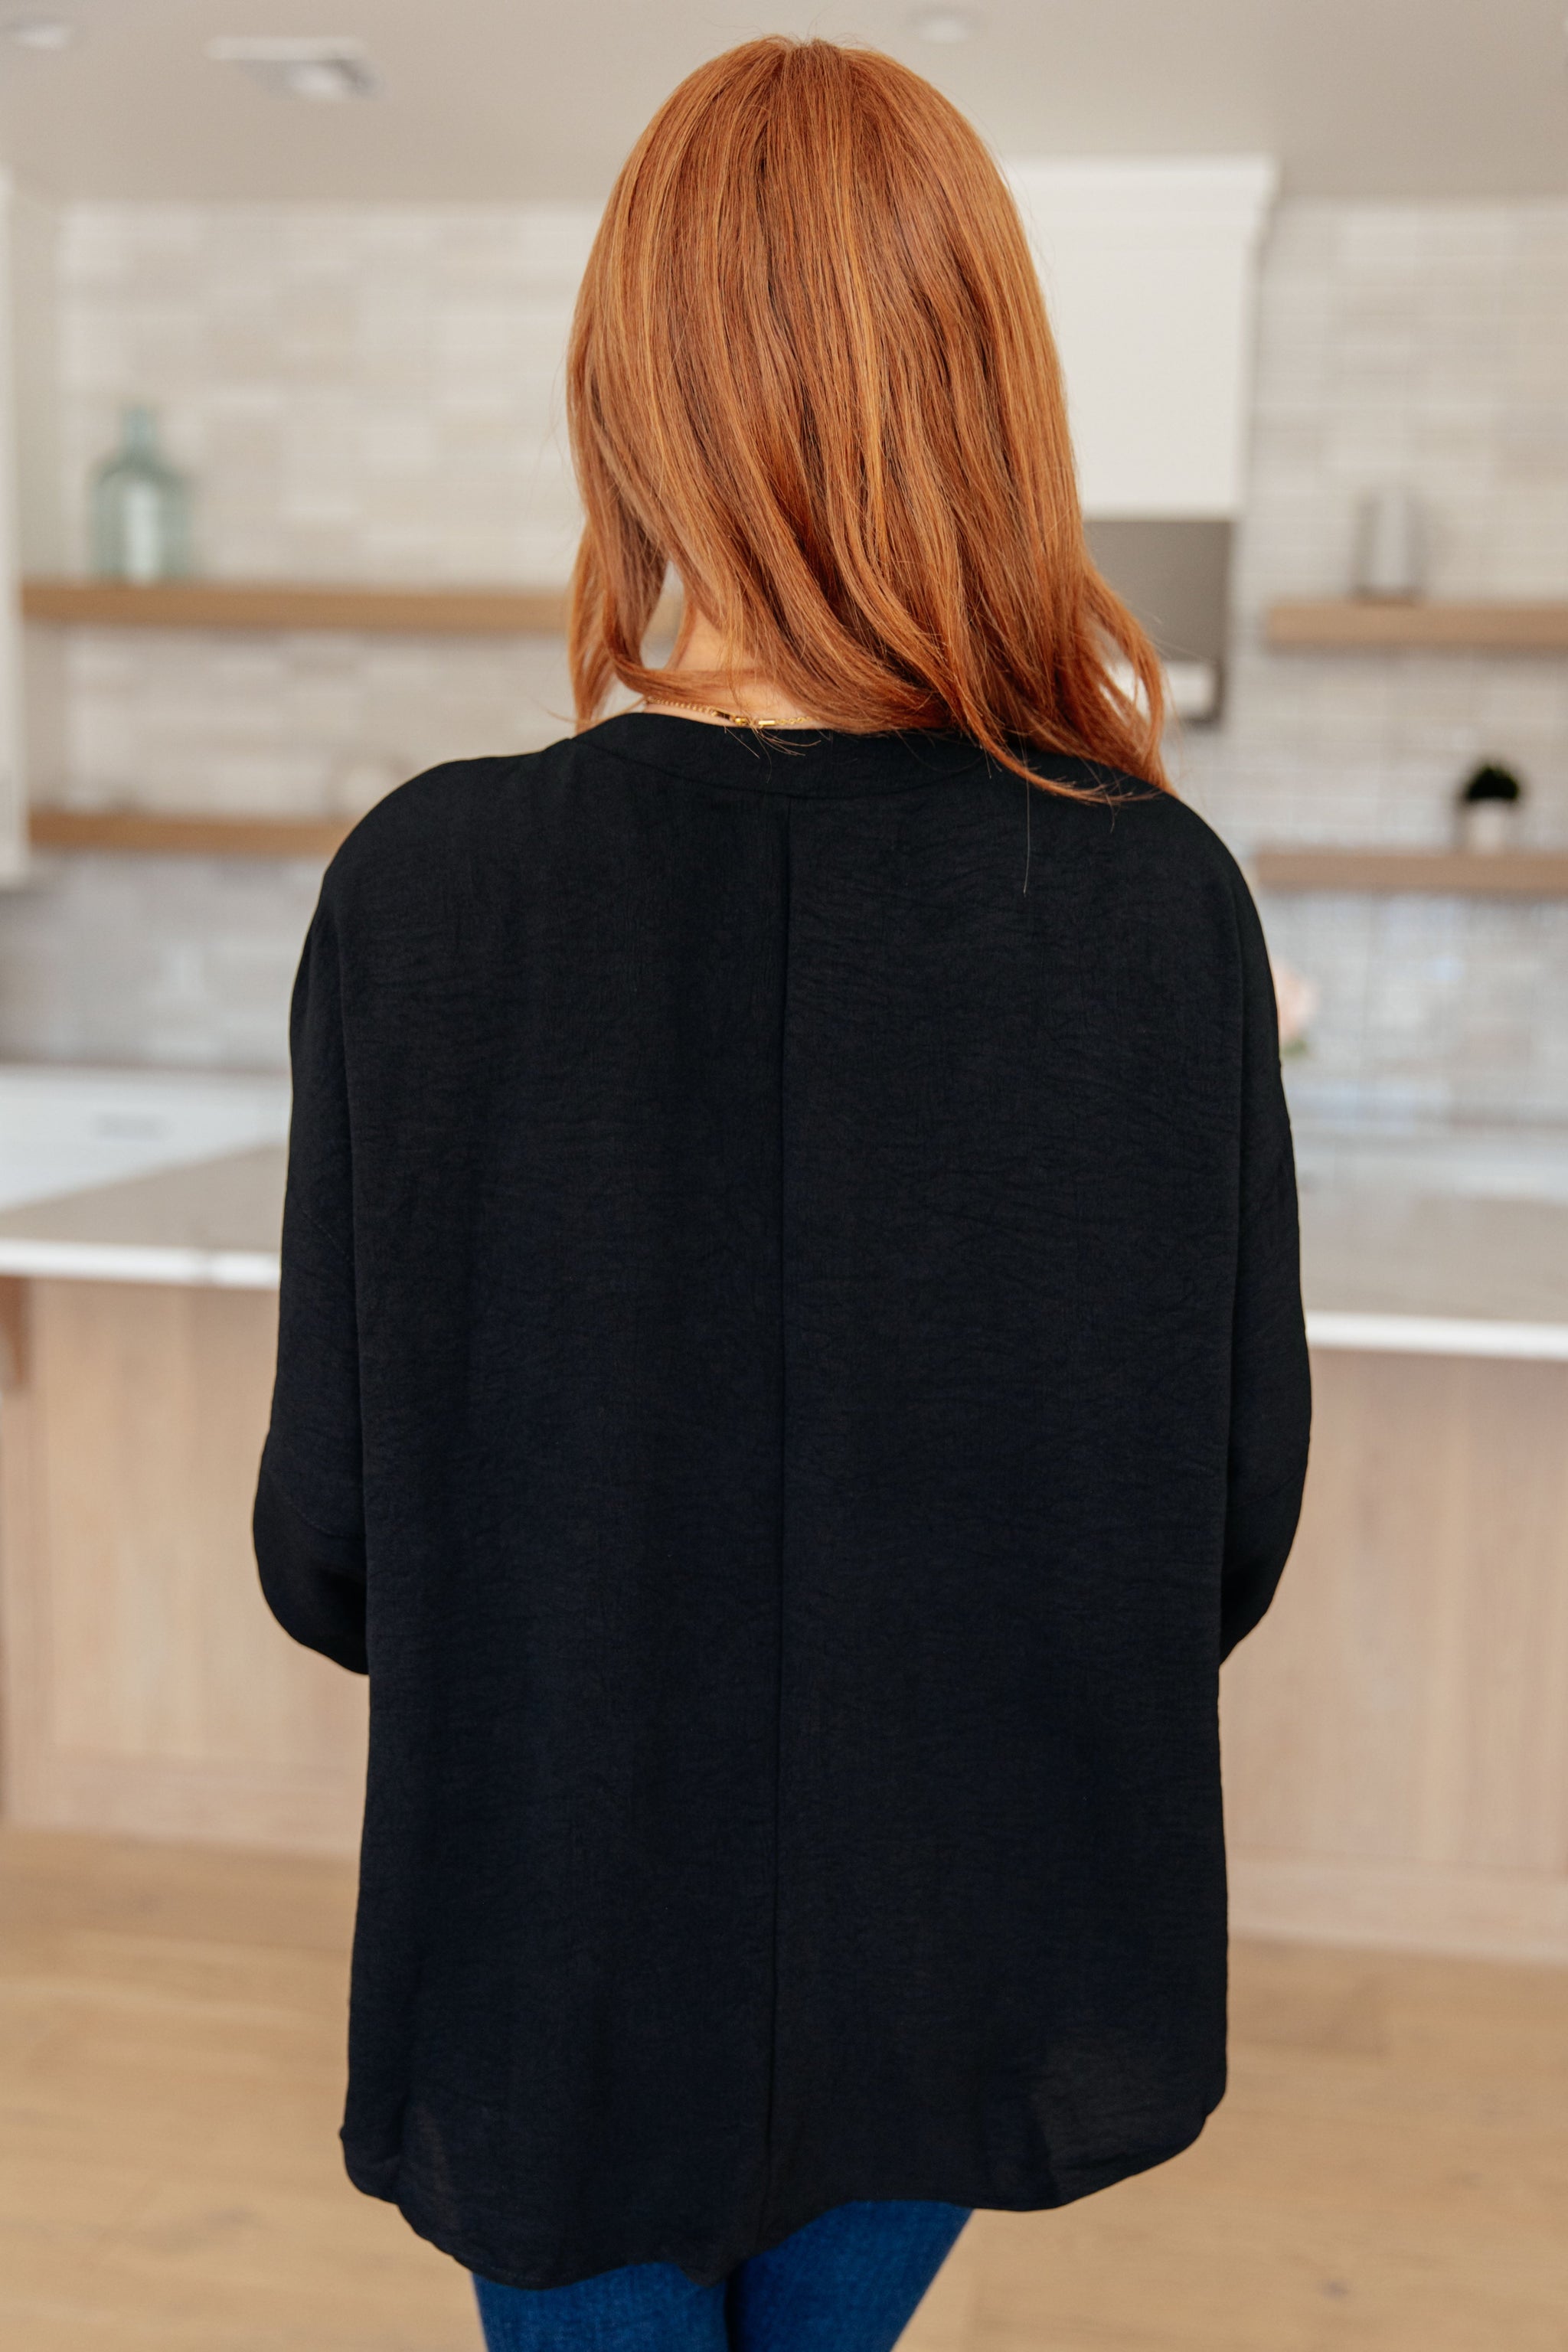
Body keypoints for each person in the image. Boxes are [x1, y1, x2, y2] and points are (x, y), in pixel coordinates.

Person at [253, 34, 1311, 2352]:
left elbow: (334, 1549)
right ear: (992, 400)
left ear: (627, 397)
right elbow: (1220, 1531)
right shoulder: (1156, 905)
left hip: (556, 1937)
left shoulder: (429, 888)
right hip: (970, 1939)